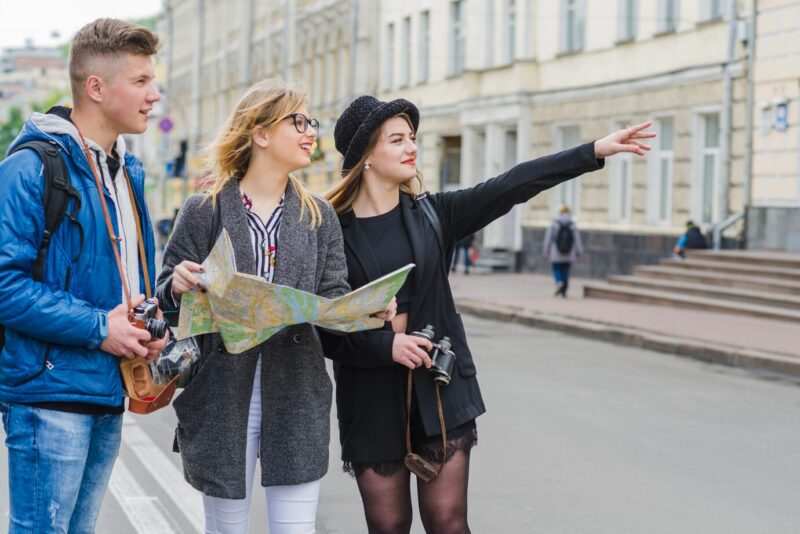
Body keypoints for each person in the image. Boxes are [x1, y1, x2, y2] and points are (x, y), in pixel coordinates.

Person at [322, 95, 654, 534]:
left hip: (440, 392)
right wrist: (387, 343)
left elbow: (511, 184)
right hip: (372, 399)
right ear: (365, 156)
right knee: (389, 527)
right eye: (397, 139)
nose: (412, 147)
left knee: (449, 523)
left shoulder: (433, 214)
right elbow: (322, 325)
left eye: (412, 138)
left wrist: (591, 152)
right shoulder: (328, 231)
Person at [155, 80, 395, 534]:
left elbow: (331, 298)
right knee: (226, 528)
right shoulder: (203, 210)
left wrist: (365, 312)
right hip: (222, 395)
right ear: (260, 133)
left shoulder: (318, 215)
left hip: (296, 394)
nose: (310, 132)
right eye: (298, 121)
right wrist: (178, 285)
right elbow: (165, 299)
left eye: (311, 123)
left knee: (295, 529)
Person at [0, 18, 167, 532]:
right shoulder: (31, 167)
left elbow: (122, 278)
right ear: (96, 88)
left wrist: (149, 320)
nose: (154, 95)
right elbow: (5, 286)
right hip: (47, 396)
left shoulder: (126, 170)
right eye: (139, 81)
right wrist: (101, 328)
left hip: (106, 389)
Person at [543, 204, 583, 297]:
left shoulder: (554, 223)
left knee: (556, 268)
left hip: (556, 251)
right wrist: (579, 251)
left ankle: (559, 282)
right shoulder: (572, 224)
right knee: (566, 270)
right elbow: (577, 239)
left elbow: (549, 238)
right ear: (568, 212)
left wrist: (546, 249)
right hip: (569, 252)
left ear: (560, 212)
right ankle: (564, 290)